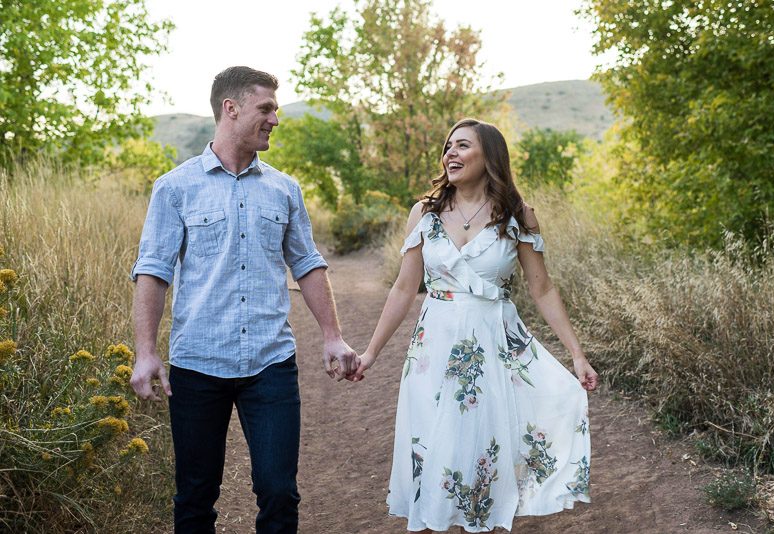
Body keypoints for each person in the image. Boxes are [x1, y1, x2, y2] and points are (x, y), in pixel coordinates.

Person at [129, 66, 358, 534]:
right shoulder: (174, 187)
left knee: (278, 491)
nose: (276, 118)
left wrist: (333, 336)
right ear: (230, 109)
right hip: (197, 364)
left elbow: (308, 264)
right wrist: (146, 352)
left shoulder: (284, 189)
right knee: (195, 496)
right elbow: (152, 271)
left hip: (270, 364)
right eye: (267, 108)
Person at [352, 118, 598, 533]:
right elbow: (402, 288)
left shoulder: (517, 215)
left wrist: (577, 355)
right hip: (435, 349)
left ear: (489, 156)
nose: (450, 153)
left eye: (462, 146)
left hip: (493, 347)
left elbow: (542, 290)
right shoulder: (424, 213)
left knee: (481, 453)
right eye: (448, 146)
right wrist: (371, 353)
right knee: (438, 453)